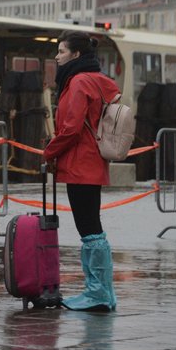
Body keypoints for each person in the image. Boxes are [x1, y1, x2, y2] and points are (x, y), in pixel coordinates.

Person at [42, 29, 118, 312]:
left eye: (61, 51)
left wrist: (49, 151)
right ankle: (103, 291)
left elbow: (70, 128)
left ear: (75, 54)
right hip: (93, 161)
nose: (57, 56)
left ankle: (97, 292)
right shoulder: (98, 80)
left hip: (79, 163)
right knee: (92, 227)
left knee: (88, 228)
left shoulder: (77, 83)